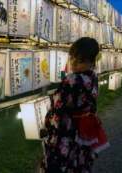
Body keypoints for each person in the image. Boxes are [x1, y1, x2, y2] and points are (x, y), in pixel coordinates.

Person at [39, 37, 110, 173]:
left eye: (80, 60)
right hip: (84, 129)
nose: (73, 63)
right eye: (72, 57)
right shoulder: (93, 77)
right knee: (79, 159)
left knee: (62, 161)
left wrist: (47, 127)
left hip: (67, 128)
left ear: (91, 61)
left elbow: (57, 108)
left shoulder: (71, 79)